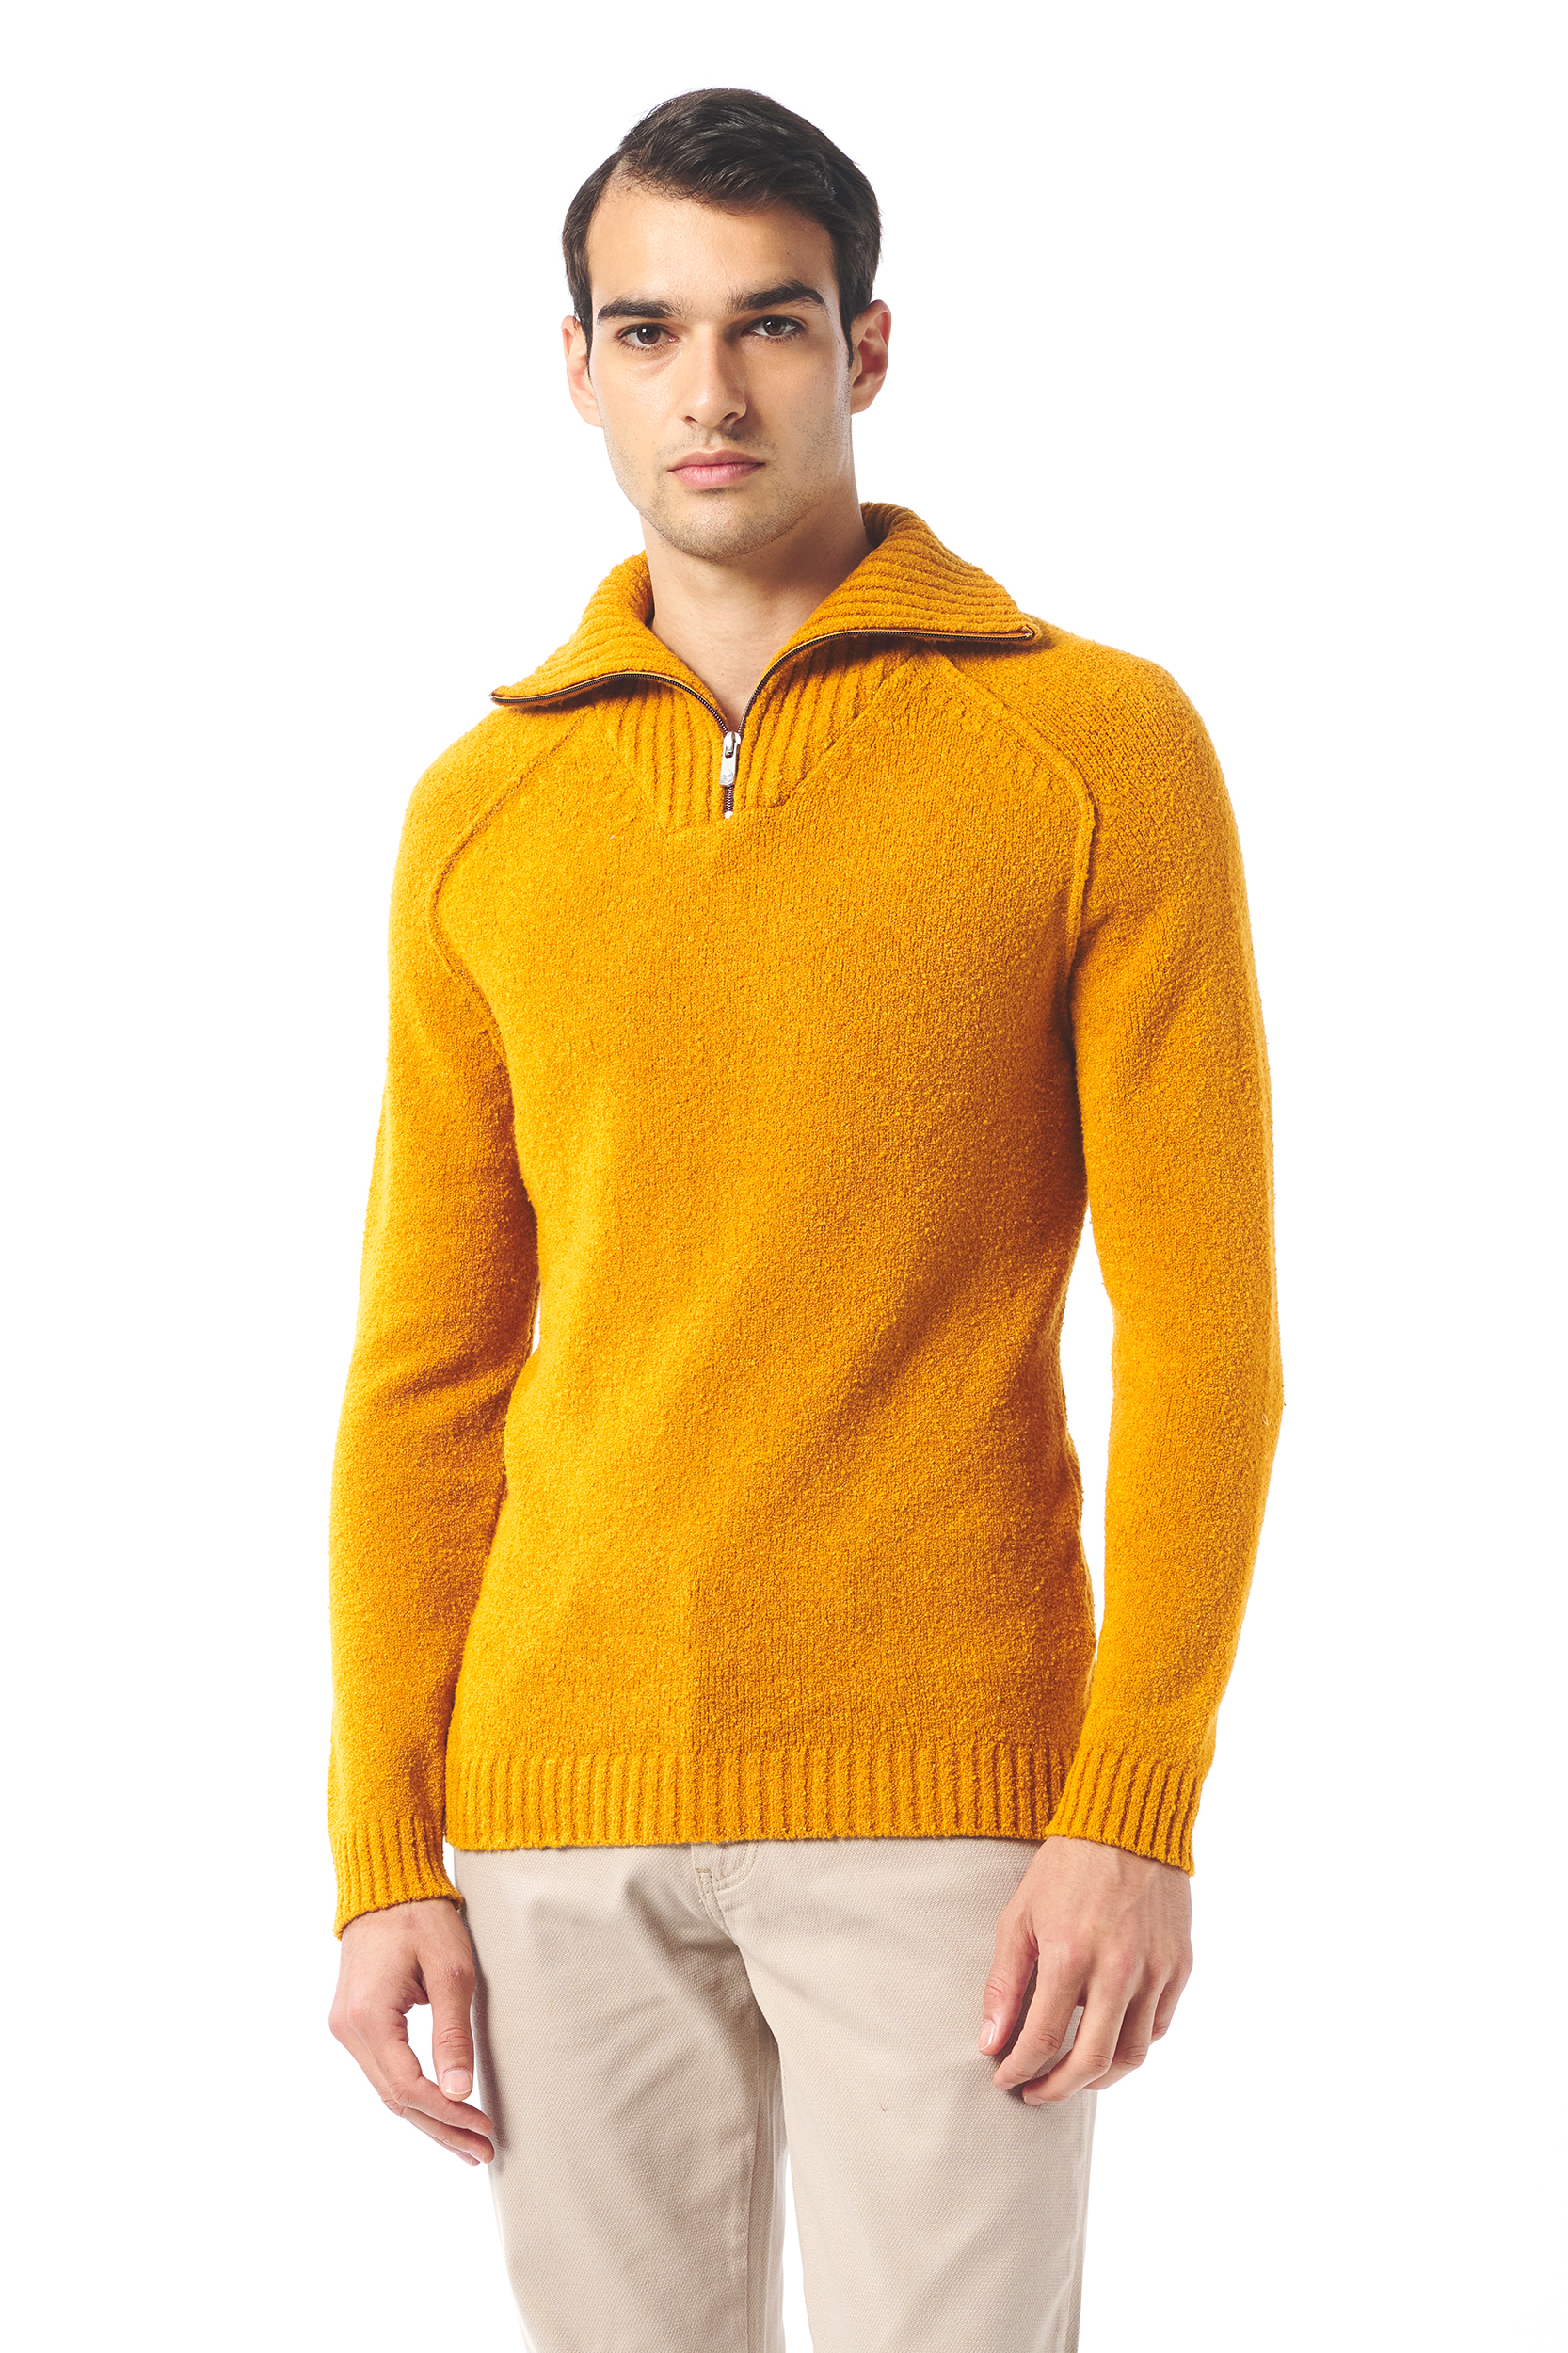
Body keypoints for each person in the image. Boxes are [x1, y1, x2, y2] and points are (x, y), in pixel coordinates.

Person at [326, 86, 1283, 2353]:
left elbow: (1203, 1328)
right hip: (552, 1806)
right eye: (647, 330)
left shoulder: (1091, 745)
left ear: (862, 348)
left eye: (766, 323)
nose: (709, 388)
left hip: (950, 1796)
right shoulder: (486, 805)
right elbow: (426, 1367)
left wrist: (1133, 1802)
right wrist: (383, 1848)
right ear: (576, 366)